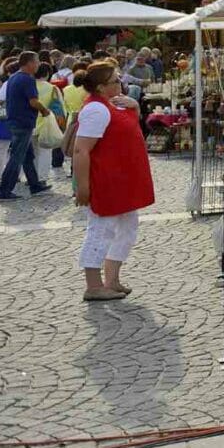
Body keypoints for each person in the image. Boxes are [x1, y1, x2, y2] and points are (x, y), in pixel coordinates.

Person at [72, 60, 153, 301]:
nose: (121, 82)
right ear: (100, 88)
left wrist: (135, 106)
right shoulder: (96, 110)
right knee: (100, 231)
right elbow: (81, 150)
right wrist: (83, 187)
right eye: (115, 80)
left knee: (127, 228)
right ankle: (93, 285)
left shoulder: (111, 104)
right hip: (107, 181)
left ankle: (112, 279)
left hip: (123, 181)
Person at [0, 52, 52, 200]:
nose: (38, 65)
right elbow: (33, 101)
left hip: (15, 120)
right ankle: (4, 190)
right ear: (29, 63)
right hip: (23, 122)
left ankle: (34, 184)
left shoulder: (13, 77)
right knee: (17, 157)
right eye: (37, 62)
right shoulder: (27, 79)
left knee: (27, 155)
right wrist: (45, 110)